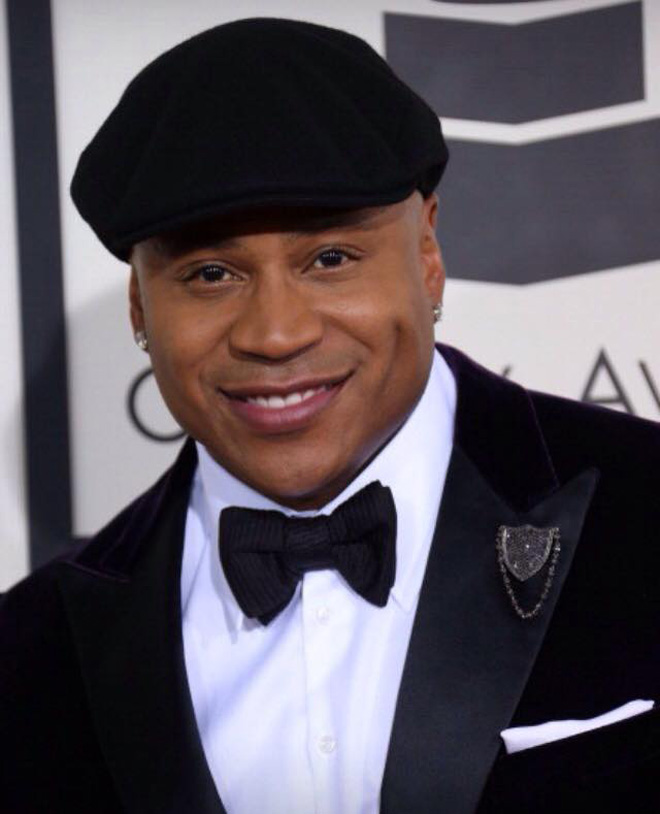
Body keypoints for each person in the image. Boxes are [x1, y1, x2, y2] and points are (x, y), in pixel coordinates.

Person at [1, 17, 659, 814]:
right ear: (140, 307)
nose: (276, 334)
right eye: (211, 274)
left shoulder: (645, 507)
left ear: (427, 254)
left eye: (330, 259)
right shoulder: (30, 655)